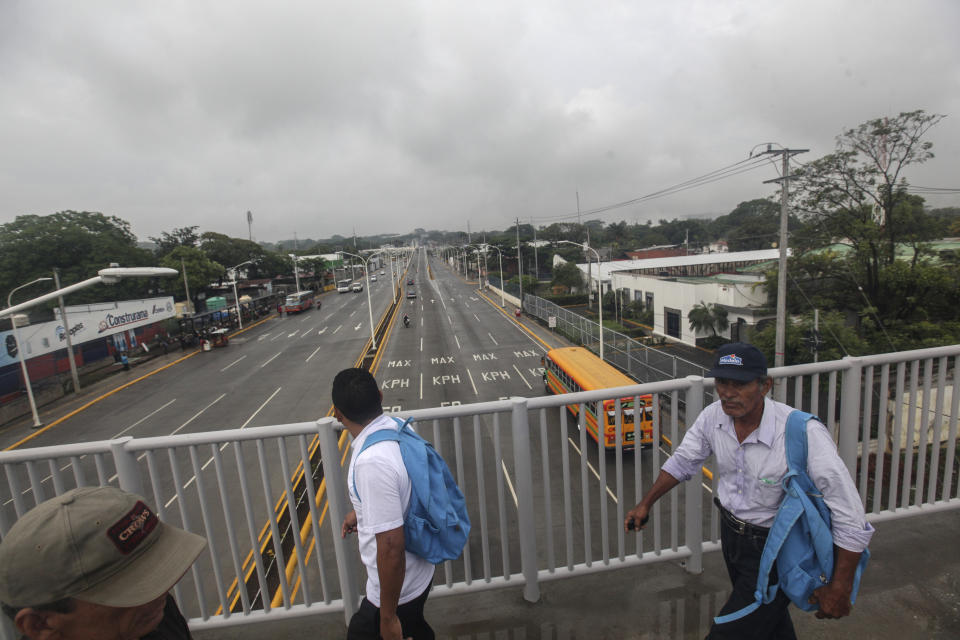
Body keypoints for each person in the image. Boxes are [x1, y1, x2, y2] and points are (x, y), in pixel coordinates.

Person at [625, 342, 874, 640]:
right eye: (722, 383)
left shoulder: (801, 433)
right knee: (770, 625)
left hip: (777, 550)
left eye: (740, 384)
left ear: (764, 385)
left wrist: (840, 586)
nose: (728, 393)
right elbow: (683, 460)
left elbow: (850, 514)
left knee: (731, 630)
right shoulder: (712, 417)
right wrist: (645, 504)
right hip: (733, 538)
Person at [0, 485, 207, 640]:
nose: (162, 591)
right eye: (133, 589)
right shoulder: (147, 618)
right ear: (39, 625)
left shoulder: (153, 617)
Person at [334, 368, 435, 640]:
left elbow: (391, 548)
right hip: (421, 571)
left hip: (397, 590)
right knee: (416, 628)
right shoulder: (399, 427)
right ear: (380, 396)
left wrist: (388, 618)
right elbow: (403, 488)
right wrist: (363, 512)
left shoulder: (371, 462)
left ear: (338, 415)